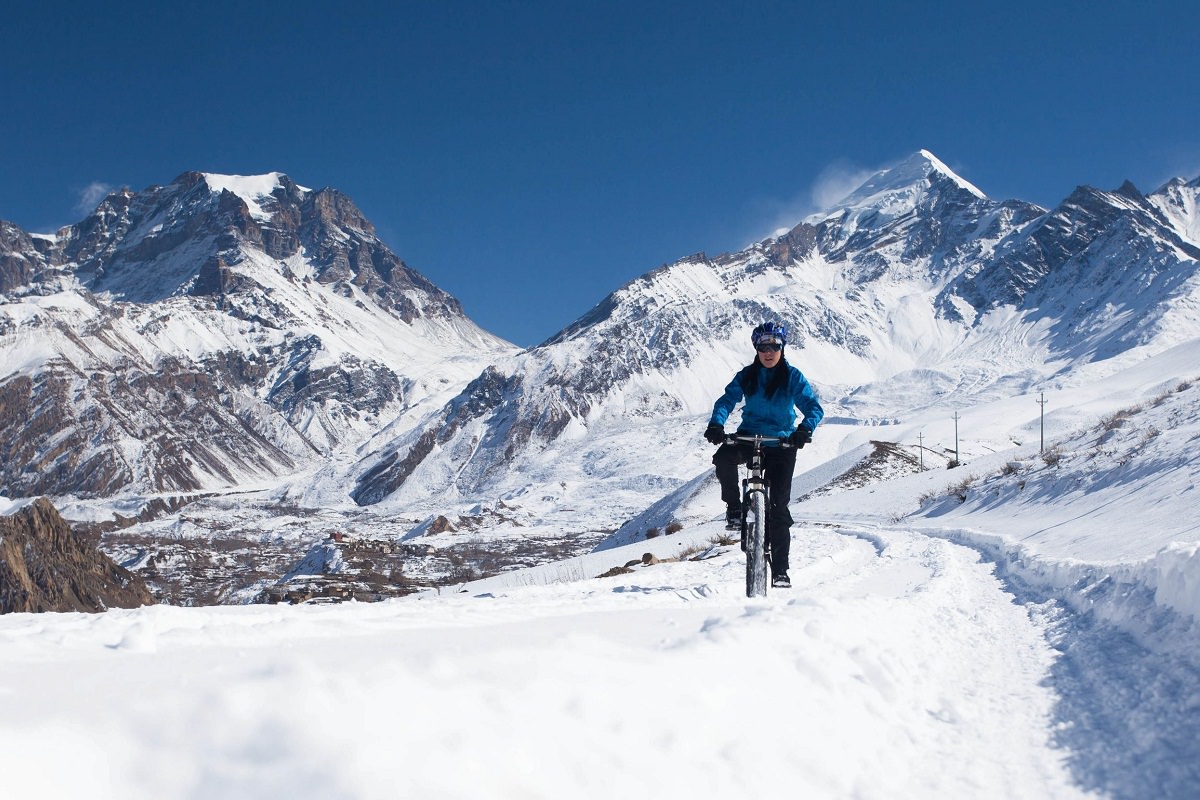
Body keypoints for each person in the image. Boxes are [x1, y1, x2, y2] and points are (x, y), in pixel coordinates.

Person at [704, 322, 824, 588]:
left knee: (779, 508)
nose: (768, 352)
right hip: (749, 437)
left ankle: (780, 570)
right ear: (756, 349)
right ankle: (734, 508)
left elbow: (813, 408)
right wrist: (716, 423)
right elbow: (727, 400)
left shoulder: (792, 377)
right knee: (723, 457)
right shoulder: (747, 375)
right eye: (763, 347)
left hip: (781, 442)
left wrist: (804, 429)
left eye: (774, 346)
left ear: (782, 348)